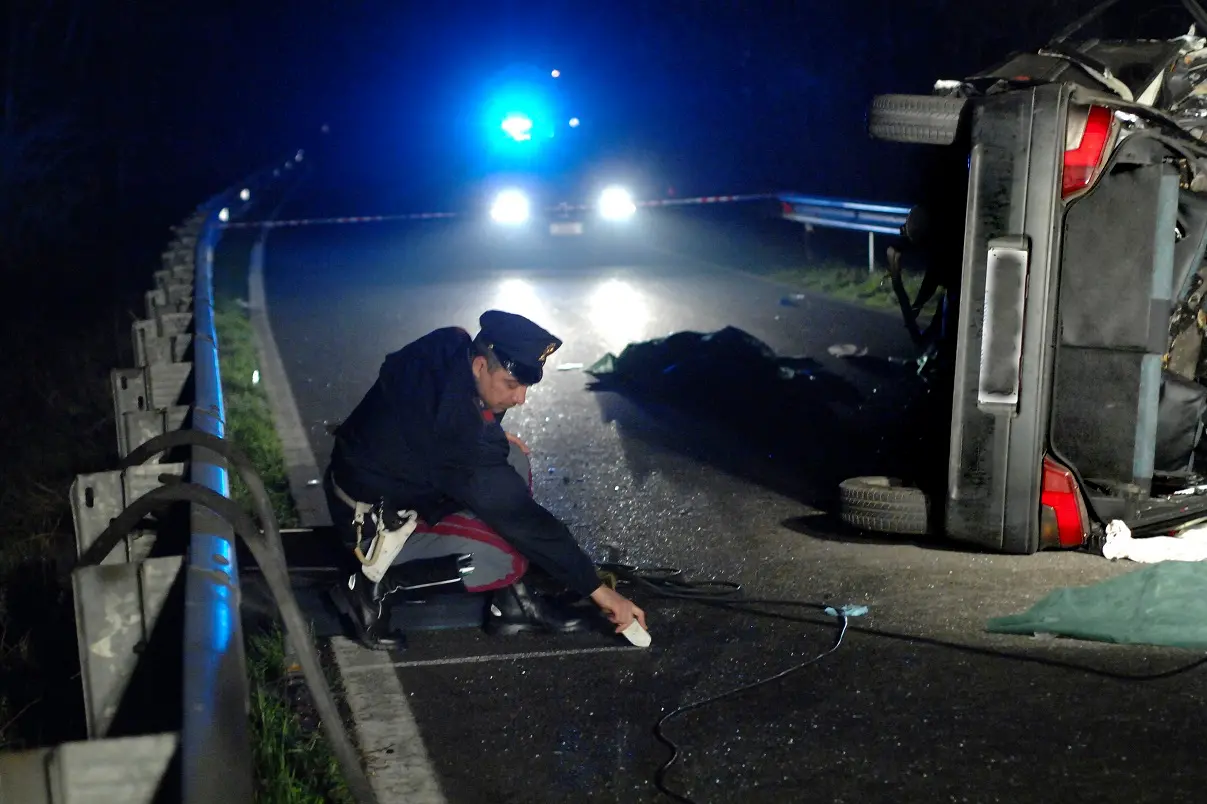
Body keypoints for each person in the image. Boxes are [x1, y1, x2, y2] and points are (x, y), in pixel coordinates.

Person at [324, 309, 648, 649]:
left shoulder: (452, 343)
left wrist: (487, 433)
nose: (521, 398)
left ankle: (511, 605)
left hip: (373, 477)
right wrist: (599, 591)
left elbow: (427, 408)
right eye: (512, 384)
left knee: (512, 458)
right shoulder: (457, 433)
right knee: (505, 558)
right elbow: (523, 518)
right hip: (371, 521)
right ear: (479, 365)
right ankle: (374, 588)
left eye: (525, 386)